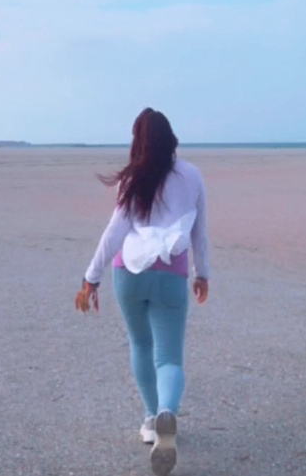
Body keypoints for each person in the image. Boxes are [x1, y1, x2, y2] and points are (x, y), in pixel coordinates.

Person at [75, 108, 210, 476]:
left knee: (140, 344)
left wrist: (91, 277)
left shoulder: (133, 178)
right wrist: (202, 274)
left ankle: (152, 420)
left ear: (138, 141)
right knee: (169, 357)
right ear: (171, 138)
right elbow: (199, 232)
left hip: (128, 273)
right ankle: (167, 413)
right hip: (170, 274)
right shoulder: (192, 175)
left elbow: (114, 232)